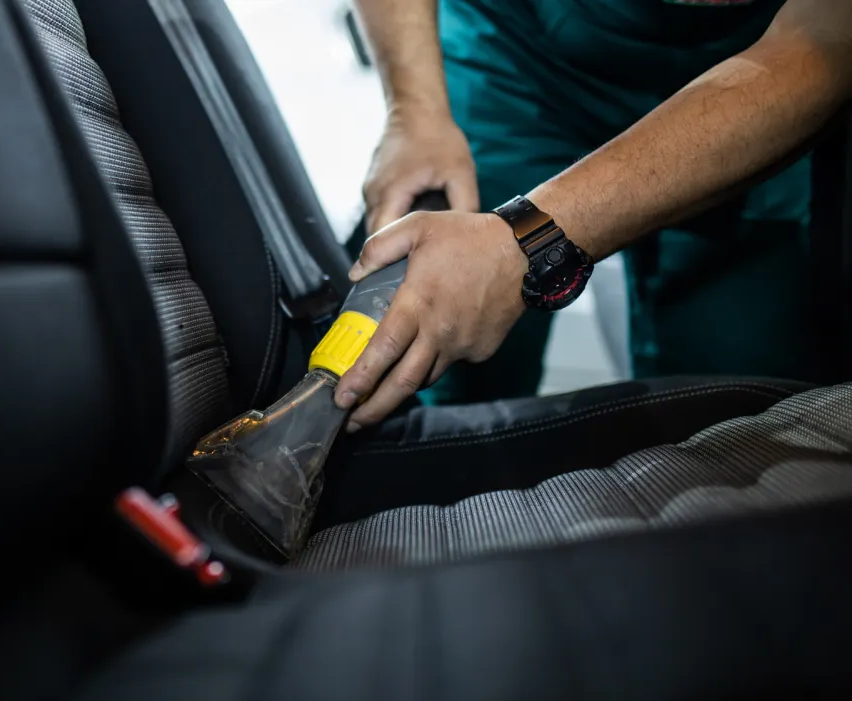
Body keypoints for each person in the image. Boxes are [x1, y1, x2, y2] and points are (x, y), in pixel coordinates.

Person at [336, 0, 852, 432]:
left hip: (767, 62)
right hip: (519, 49)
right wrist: (415, 110)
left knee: (743, 406)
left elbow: (825, 42)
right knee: (429, 342)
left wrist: (526, 243)